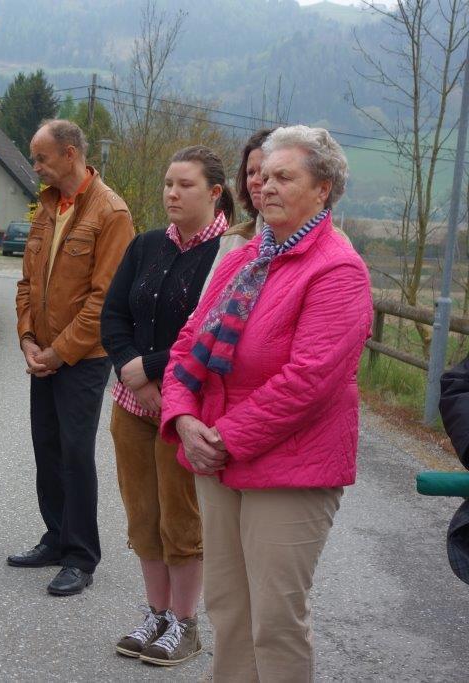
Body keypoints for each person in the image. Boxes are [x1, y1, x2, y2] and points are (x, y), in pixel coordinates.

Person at [160, 125, 372, 681]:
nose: (267, 187)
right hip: (216, 459)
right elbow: (188, 344)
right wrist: (182, 417)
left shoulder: (338, 269)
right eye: (264, 176)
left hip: (289, 468)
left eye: (285, 177)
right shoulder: (245, 257)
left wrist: (223, 438)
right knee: (228, 609)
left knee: (275, 622)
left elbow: (309, 381)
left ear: (322, 189)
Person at [100, 146, 235, 665]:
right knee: (142, 515)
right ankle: (155, 614)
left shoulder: (228, 254)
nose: (172, 194)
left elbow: (214, 331)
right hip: (132, 404)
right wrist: (130, 370)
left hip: (187, 410)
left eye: (185, 185)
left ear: (215, 192)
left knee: (181, 519)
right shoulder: (146, 245)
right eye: (167, 184)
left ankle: (185, 622)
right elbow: (114, 315)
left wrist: (152, 369)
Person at [9, 119, 135, 596]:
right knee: (47, 447)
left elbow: (105, 300)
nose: (36, 166)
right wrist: (27, 337)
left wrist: (58, 353)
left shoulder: (111, 212)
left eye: (41, 158)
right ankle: (56, 536)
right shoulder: (46, 207)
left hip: (82, 358)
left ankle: (81, 555)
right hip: (42, 353)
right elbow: (27, 282)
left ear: (69, 154)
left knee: (76, 452)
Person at [198, 128, 275, 298]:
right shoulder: (234, 239)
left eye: (264, 172)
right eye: (250, 172)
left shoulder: (326, 245)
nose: (255, 181)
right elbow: (208, 304)